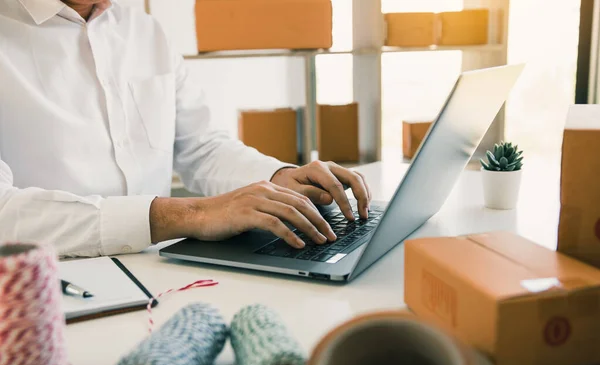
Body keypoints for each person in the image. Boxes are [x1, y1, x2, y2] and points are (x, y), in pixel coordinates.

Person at [0, 0, 372, 257]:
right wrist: (191, 214)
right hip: (47, 285)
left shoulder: (144, 31)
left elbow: (202, 147)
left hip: (160, 268)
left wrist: (279, 178)